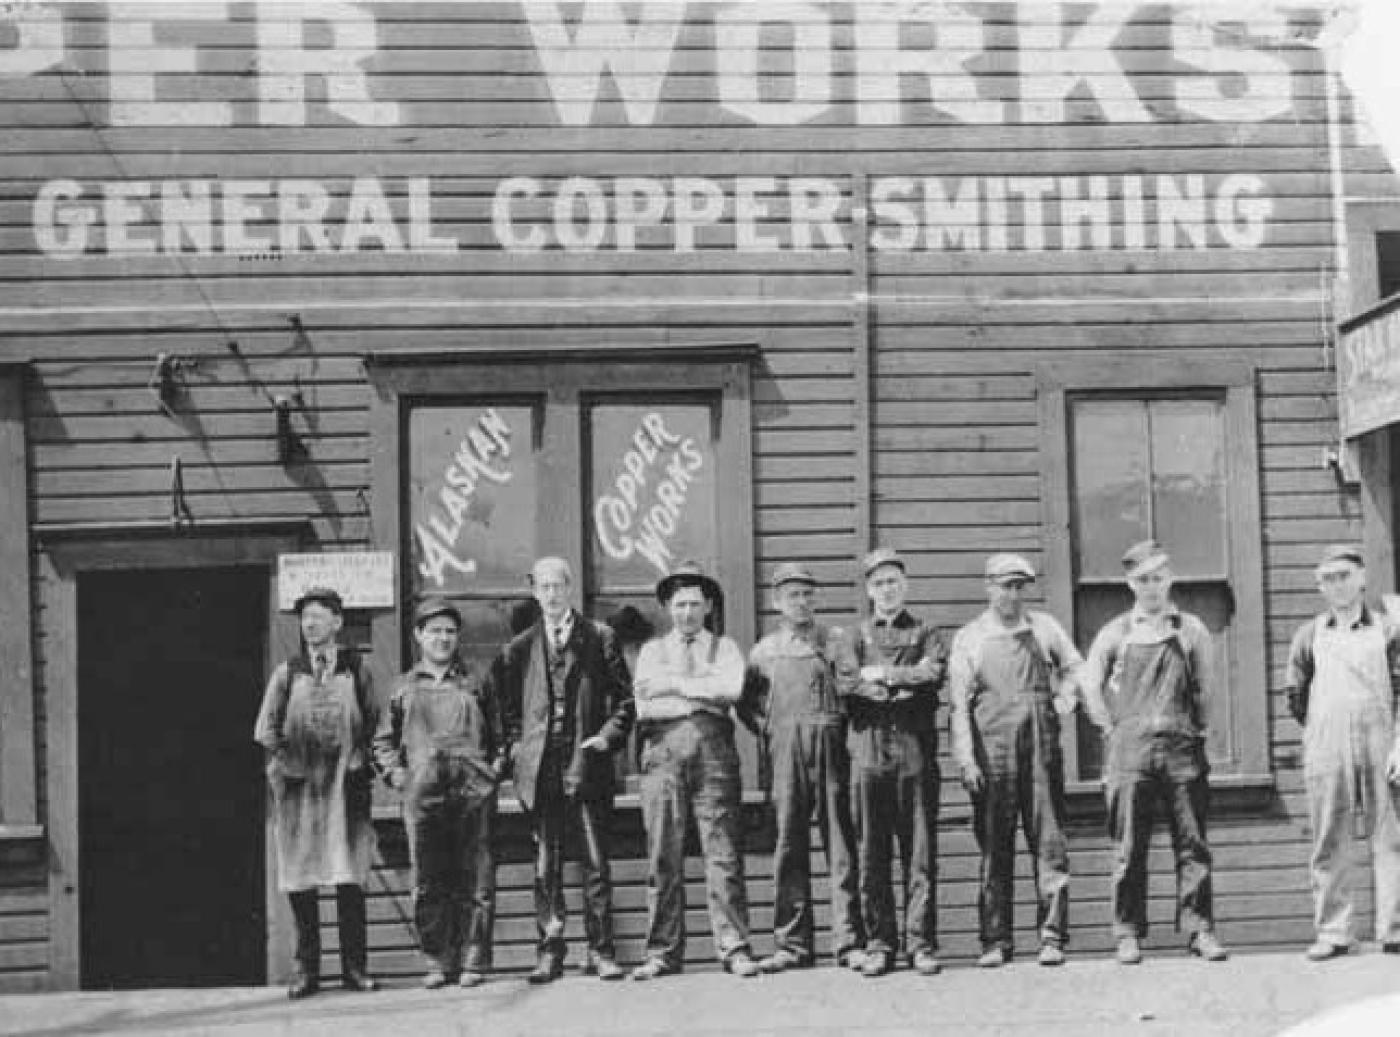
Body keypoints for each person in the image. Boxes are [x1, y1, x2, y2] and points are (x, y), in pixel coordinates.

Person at [1081, 540, 1229, 965]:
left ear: (1170, 579)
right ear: (1131, 584)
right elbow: (1090, 684)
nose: (1151, 587)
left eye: (1158, 577)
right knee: (1129, 846)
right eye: (1143, 579)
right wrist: (1110, 727)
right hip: (1130, 751)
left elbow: (1206, 688)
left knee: (1193, 843)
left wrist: (1194, 728)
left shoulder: (1191, 630)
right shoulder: (1116, 632)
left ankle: (1199, 930)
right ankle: (1128, 933)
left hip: (1182, 746)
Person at [497, 556, 635, 983]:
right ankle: (550, 952)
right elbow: (507, 713)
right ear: (534, 590)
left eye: (559, 585)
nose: (552, 594)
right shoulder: (519, 648)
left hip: (586, 761)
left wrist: (607, 738)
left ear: (570, 588)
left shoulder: (599, 636)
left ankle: (602, 951)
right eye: (544, 587)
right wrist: (520, 749)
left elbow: (626, 702)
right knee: (545, 864)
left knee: (595, 861)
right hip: (541, 767)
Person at [629, 562, 763, 981]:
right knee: (662, 855)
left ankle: (734, 947)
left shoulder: (724, 648)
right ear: (668, 607)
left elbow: (730, 690)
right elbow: (645, 705)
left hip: (714, 757)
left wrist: (675, 685)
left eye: (694, 604)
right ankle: (662, 952)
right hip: (663, 757)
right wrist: (699, 694)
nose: (687, 612)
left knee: (722, 853)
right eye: (679, 604)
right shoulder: (652, 651)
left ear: (707, 606)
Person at [949, 554, 1081, 968]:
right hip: (993, 754)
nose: (1012, 595)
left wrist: (1065, 699)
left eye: (1019, 586)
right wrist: (967, 759)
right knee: (994, 846)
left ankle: (1052, 937)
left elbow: (1077, 669)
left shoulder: (1044, 629)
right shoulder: (970, 637)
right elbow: (957, 705)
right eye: (1005, 586)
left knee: (1050, 842)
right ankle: (995, 940)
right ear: (988, 587)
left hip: (1041, 750)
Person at [374, 598, 509, 989]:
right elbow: (382, 743)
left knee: (477, 879)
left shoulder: (476, 681)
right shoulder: (402, 687)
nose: (443, 639)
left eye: (450, 632)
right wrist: (399, 776)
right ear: (419, 636)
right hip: (424, 793)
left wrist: (492, 772)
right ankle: (437, 960)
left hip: (473, 791)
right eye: (435, 631)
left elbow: (502, 736)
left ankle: (474, 961)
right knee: (428, 879)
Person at [253, 586, 378, 999]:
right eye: (305, 617)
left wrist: (361, 758)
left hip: (346, 789)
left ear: (337, 623)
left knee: (349, 881)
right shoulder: (288, 673)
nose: (310, 624)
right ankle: (307, 973)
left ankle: (354, 970)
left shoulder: (356, 669)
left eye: (319, 616)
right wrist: (286, 763)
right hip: (301, 793)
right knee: (303, 883)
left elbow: (375, 724)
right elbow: (265, 730)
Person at [743, 562, 864, 972]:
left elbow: (852, 688)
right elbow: (745, 704)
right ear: (778, 602)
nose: (802, 602)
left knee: (841, 846)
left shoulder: (834, 639)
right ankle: (792, 945)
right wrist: (772, 731)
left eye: (808, 594)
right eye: (793, 595)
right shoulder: (763, 652)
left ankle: (848, 942)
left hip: (831, 746)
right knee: (788, 845)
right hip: (785, 751)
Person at [1284, 544, 1400, 961]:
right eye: (1328, 579)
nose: (1338, 585)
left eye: (1345, 575)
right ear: (1320, 586)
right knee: (1329, 837)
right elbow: (1296, 695)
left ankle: (1395, 929)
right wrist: (1323, 732)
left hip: (1382, 739)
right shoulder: (1310, 634)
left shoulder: (1388, 629)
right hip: (1327, 743)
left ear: (1362, 578)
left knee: (1392, 835)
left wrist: (1399, 745)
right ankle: (1334, 931)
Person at [843, 547, 946, 978]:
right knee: (872, 852)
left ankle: (920, 944)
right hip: (868, 751)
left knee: (919, 851)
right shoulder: (854, 636)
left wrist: (882, 675)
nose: (888, 589)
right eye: (879, 583)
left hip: (913, 750)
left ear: (905, 586)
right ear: (869, 589)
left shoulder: (926, 632)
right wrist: (902, 680)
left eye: (894, 581)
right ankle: (880, 942)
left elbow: (933, 674)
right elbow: (847, 681)